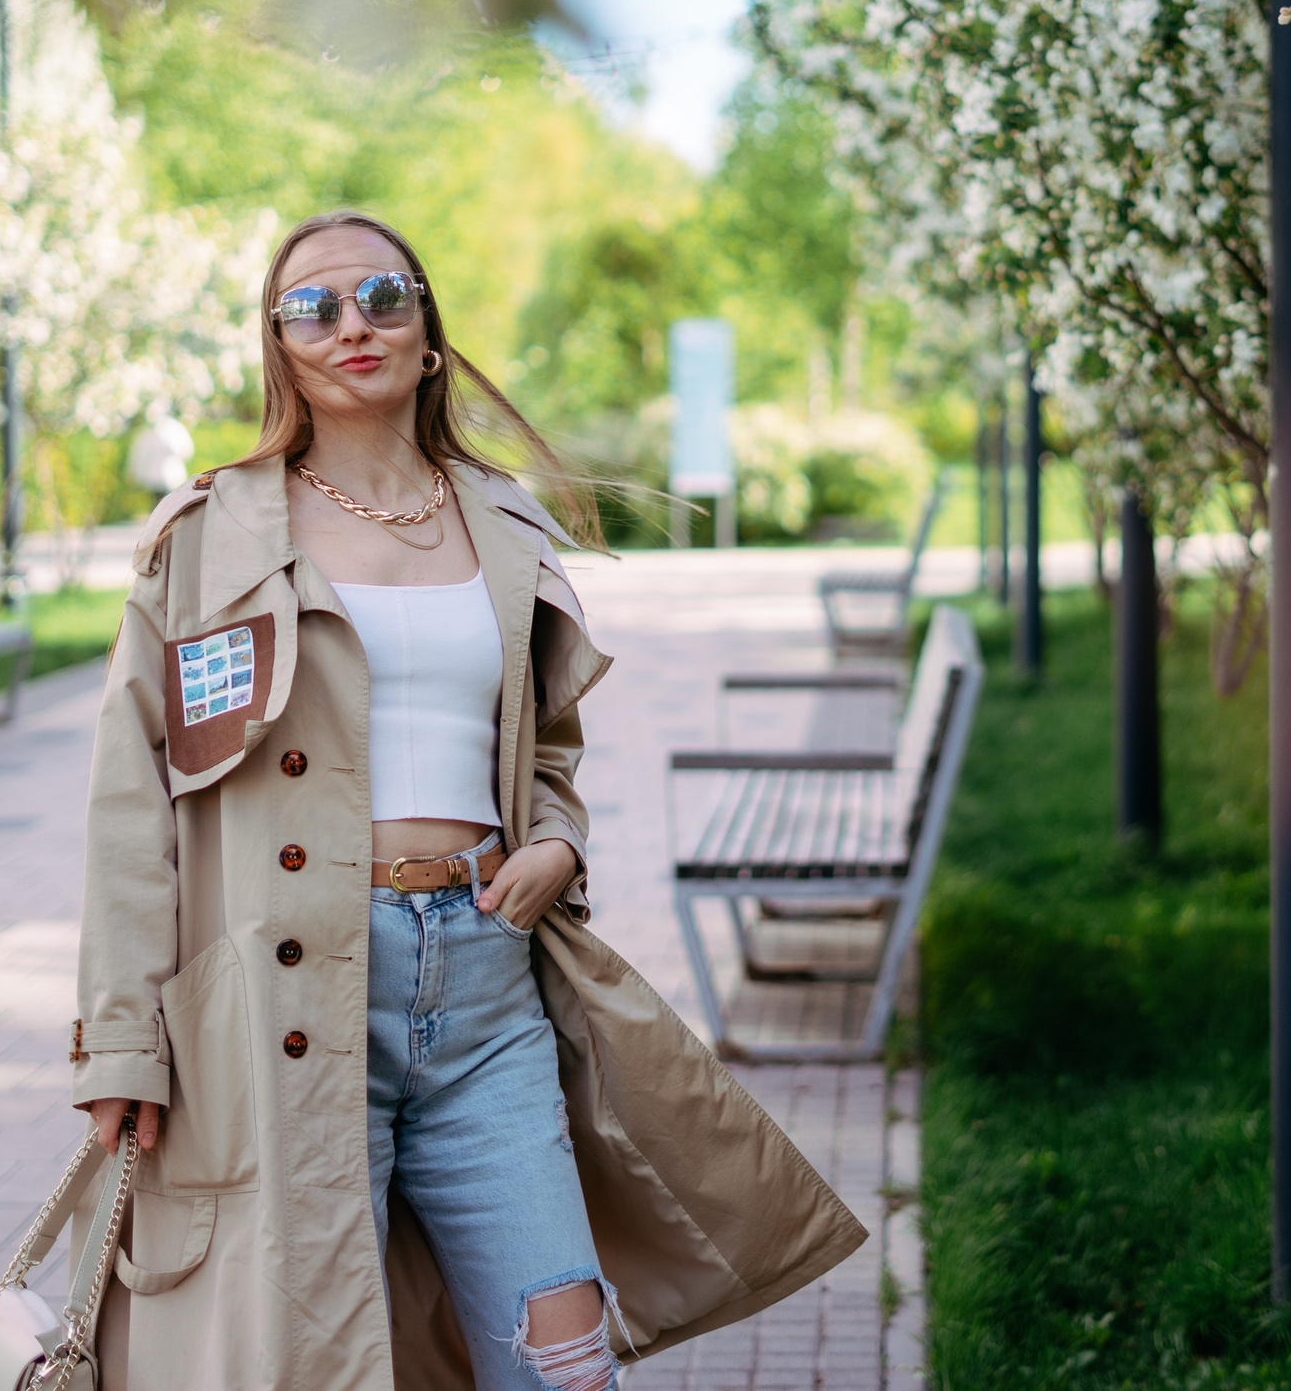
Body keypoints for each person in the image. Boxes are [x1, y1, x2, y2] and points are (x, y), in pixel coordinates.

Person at [70, 211, 863, 1391]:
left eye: (383, 296)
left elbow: (544, 746)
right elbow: (132, 807)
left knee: (565, 1359)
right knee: (315, 1353)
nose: (353, 325)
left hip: (486, 986)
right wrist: (122, 1046)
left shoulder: (500, 520)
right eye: (314, 307)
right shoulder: (210, 538)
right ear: (277, 347)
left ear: (427, 328)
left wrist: (556, 841)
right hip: (286, 998)